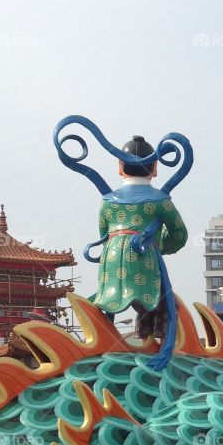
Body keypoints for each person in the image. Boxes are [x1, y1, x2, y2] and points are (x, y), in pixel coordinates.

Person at [94, 136, 188, 337]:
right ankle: (159, 343)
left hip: (111, 260)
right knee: (162, 302)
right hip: (145, 257)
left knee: (109, 301)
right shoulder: (160, 201)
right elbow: (180, 234)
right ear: (154, 168)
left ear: (120, 167)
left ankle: (103, 341)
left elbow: (103, 234)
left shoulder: (108, 201)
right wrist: (162, 246)